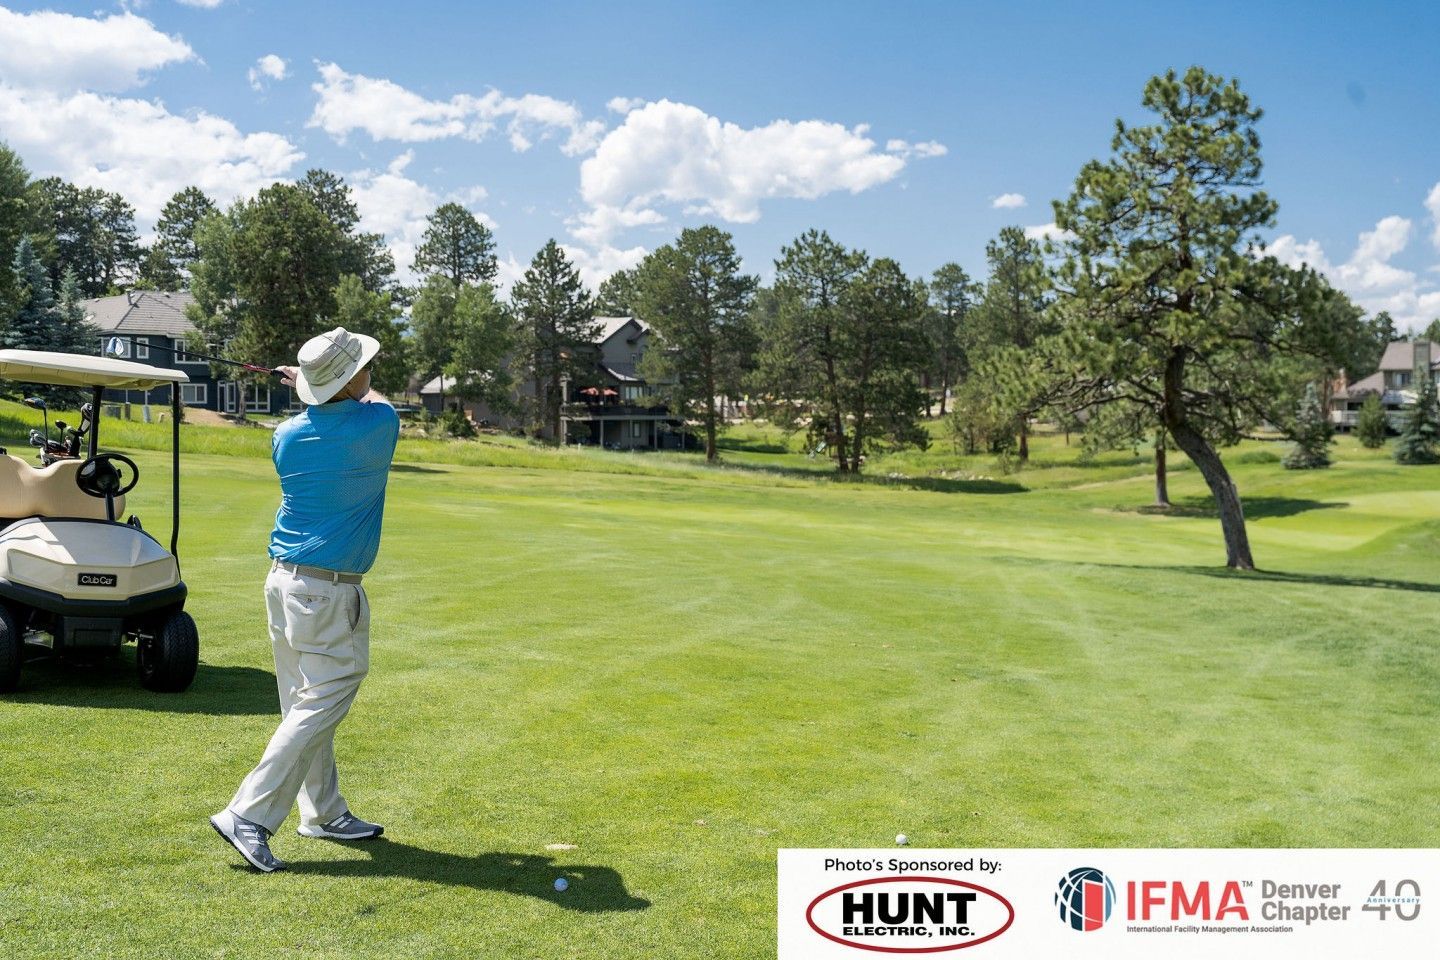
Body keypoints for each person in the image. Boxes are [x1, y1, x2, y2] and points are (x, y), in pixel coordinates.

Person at [210, 327, 400, 872]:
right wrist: (324, 387)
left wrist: (312, 390)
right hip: (325, 591)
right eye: (366, 365)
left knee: (301, 702)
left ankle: (323, 813)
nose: (372, 372)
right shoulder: (378, 422)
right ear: (351, 379)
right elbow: (375, 402)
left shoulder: (286, 435)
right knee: (331, 689)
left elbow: (337, 406)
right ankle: (248, 813)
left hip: (283, 583)